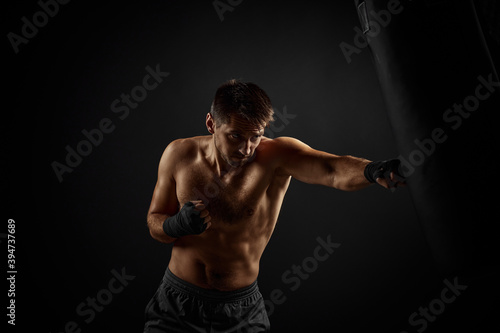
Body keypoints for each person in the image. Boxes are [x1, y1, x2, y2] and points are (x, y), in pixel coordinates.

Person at [143, 79, 405, 332]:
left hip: (240, 312)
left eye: (255, 136)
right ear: (212, 124)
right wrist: (175, 225)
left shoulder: (275, 158)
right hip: (177, 306)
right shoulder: (178, 154)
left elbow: (332, 169)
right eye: (235, 136)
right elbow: (155, 221)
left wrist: (372, 170)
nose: (247, 149)